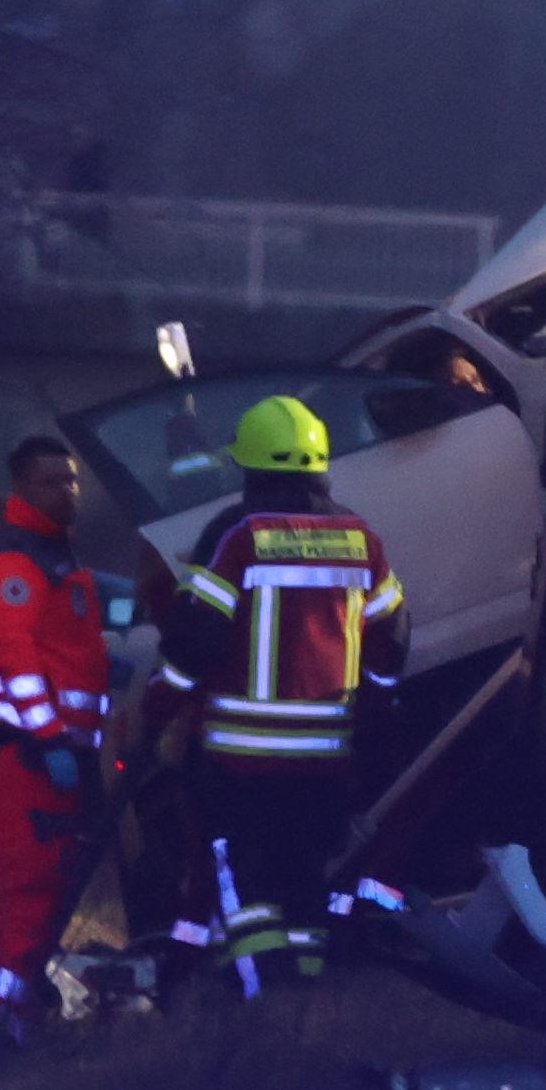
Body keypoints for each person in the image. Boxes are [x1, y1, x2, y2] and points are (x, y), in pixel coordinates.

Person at [154, 393, 398, 993]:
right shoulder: (360, 538)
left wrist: (161, 701)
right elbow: (392, 638)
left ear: (250, 465)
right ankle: (304, 997)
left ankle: (263, 997)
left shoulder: (237, 534)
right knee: (304, 881)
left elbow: (195, 637)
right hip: (327, 760)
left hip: (242, 763)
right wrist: (375, 704)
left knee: (247, 885)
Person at [0, 428, 117, 1044]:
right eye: (53, 482)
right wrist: (50, 737)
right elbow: (14, 656)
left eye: (72, 481)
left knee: (44, 888)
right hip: (20, 752)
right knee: (15, 886)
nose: (67, 492)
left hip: (53, 754)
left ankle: (13, 1016)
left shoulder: (52, 553)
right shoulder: (11, 558)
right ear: (21, 487)